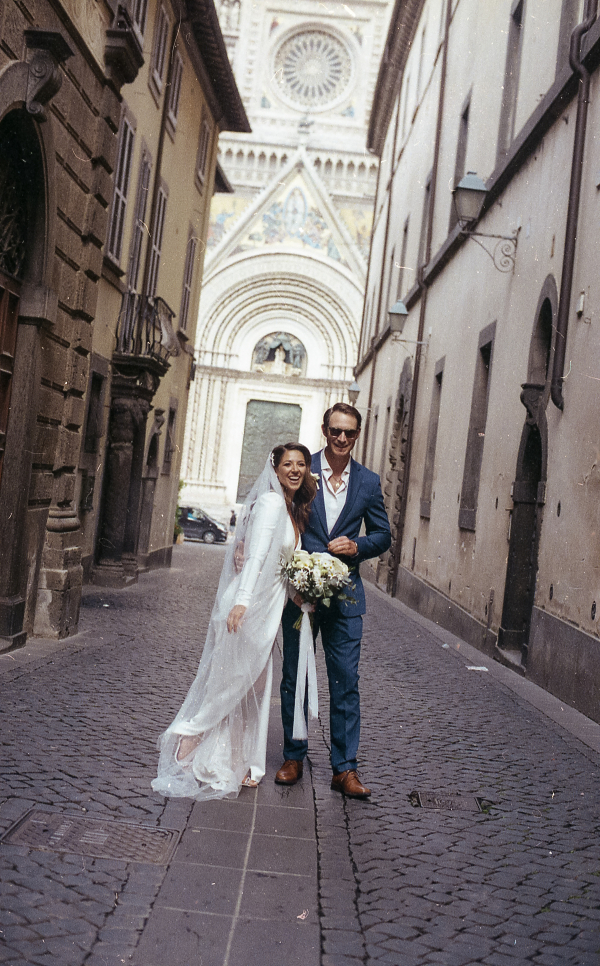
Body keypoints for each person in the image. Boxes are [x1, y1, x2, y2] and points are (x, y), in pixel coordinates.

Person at [152, 443, 317, 801]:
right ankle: (190, 735)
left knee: (252, 686)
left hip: (266, 611)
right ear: (274, 469)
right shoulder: (273, 503)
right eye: (287, 464)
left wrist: (299, 596)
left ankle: (239, 759)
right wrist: (241, 603)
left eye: (301, 464)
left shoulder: (290, 508)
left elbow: (279, 566)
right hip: (249, 608)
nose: (294, 470)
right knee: (232, 682)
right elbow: (256, 554)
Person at [276, 403, 391, 799]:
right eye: (336, 431)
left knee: (346, 682)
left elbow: (383, 535)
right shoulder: (301, 472)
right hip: (302, 593)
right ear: (325, 430)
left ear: (357, 436)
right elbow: (280, 514)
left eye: (350, 433)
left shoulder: (369, 482)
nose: (342, 439)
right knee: (296, 675)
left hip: (346, 598)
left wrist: (356, 545)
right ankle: (293, 755)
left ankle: (345, 769)